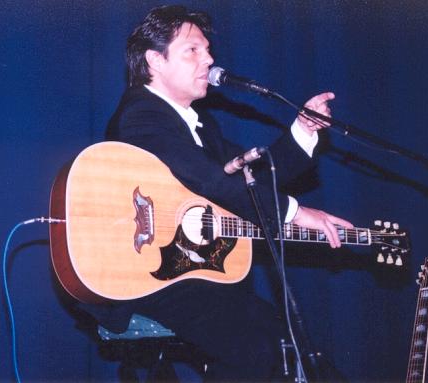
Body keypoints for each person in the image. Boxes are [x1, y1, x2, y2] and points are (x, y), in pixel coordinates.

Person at [80, 4, 353, 381]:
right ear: (155, 61)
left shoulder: (199, 125)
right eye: (192, 49)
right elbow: (211, 183)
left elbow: (254, 177)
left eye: (208, 50)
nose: (208, 59)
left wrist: (303, 130)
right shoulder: (143, 115)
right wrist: (296, 212)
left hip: (191, 277)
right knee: (260, 346)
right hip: (151, 279)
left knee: (288, 342)